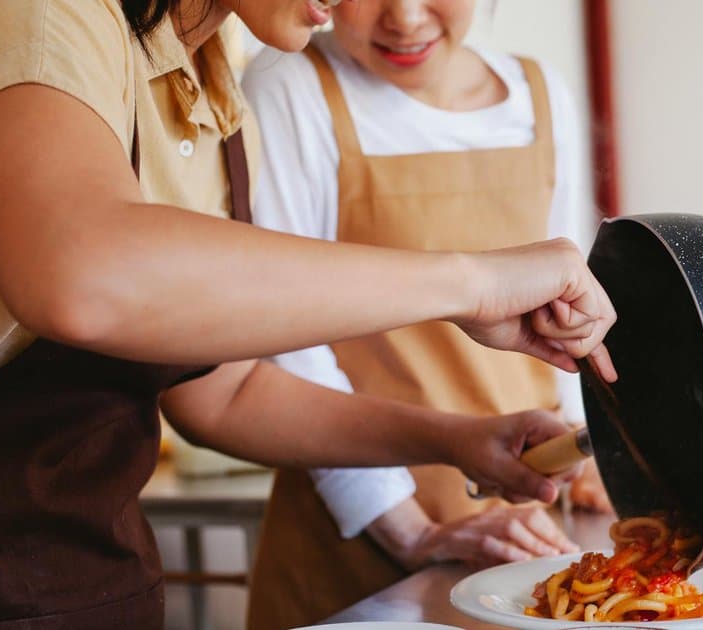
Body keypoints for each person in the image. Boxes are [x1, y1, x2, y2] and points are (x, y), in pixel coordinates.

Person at [0, 0, 616, 626]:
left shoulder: (211, 98)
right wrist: (469, 283)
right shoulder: (35, 16)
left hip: (84, 583)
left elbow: (223, 390)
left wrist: (456, 441)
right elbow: (80, 275)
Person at [239, 2, 612, 626]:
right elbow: (285, 338)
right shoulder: (288, 83)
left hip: (526, 521)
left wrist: (584, 450)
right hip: (358, 536)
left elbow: (568, 296)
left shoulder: (541, 94)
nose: (406, 19)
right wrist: (412, 531)